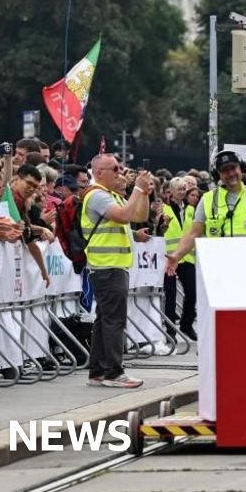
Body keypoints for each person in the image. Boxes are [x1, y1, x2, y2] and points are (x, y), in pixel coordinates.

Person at [83, 153, 154, 388]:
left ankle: (98, 371)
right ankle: (114, 373)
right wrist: (137, 190)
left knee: (104, 319)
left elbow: (140, 215)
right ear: (99, 172)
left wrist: (142, 191)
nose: (120, 171)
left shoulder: (111, 195)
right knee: (114, 320)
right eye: (115, 168)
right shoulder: (98, 196)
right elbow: (124, 217)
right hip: (108, 265)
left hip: (111, 265)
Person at [165, 150, 246, 273]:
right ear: (218, 175)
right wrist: (177, 255)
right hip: (218, 270)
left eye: (233, 168)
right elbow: (193, 233)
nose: (231, 173)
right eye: (225, 171)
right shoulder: (208, 199)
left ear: (241, 168)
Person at [161, 177, 197, 340]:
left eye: (184, 188)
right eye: (179, 189)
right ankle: (170, 331)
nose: (182, 192)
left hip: (186, 257)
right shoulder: (164, 208)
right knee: (170, 294)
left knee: (192, 292)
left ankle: (186, 324)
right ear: (172, 191)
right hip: (169, 257)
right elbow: (160, 229)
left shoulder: (190, 209)